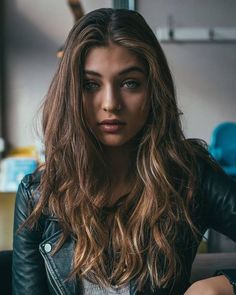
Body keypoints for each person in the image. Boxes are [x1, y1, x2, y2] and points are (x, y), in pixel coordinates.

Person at [12, 8, 236, 295]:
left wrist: (224, 285)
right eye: (90, 84)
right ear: (70, 93)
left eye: (130, 83)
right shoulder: (36, 197)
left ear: (153, 89)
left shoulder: (189, 177)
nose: (110, 103)